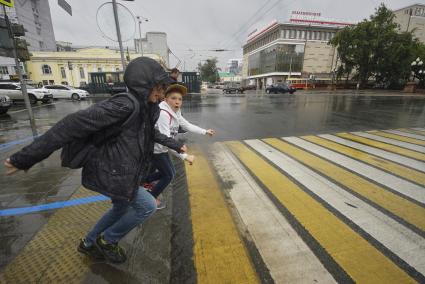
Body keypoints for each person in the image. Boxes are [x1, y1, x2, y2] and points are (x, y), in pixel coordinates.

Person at [4, 57, 187, 264]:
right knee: (147, 206)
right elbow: (71, 124)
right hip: (114, 173)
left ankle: (89, 243)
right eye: (160, 88)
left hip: (125, 172)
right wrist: (26, 157)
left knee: (120, 208)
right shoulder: (124, 105)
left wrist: (176, 145)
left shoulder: (146, 108)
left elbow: (150, 134)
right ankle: (108, 240)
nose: (162, 94)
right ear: (144, 84)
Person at [145, 84, 215, 209]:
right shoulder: (163, 114)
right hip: (156, 150)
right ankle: (151, 198)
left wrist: (205, 131)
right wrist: (184, 156)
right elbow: (165, 140)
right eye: (173, 98)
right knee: (168, 175)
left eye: (180, 99)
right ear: (165, 99)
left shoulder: (175, 112)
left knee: (168, 172)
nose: (177, 101)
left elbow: (187, 125)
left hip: (162, 149)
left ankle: (142, 181)